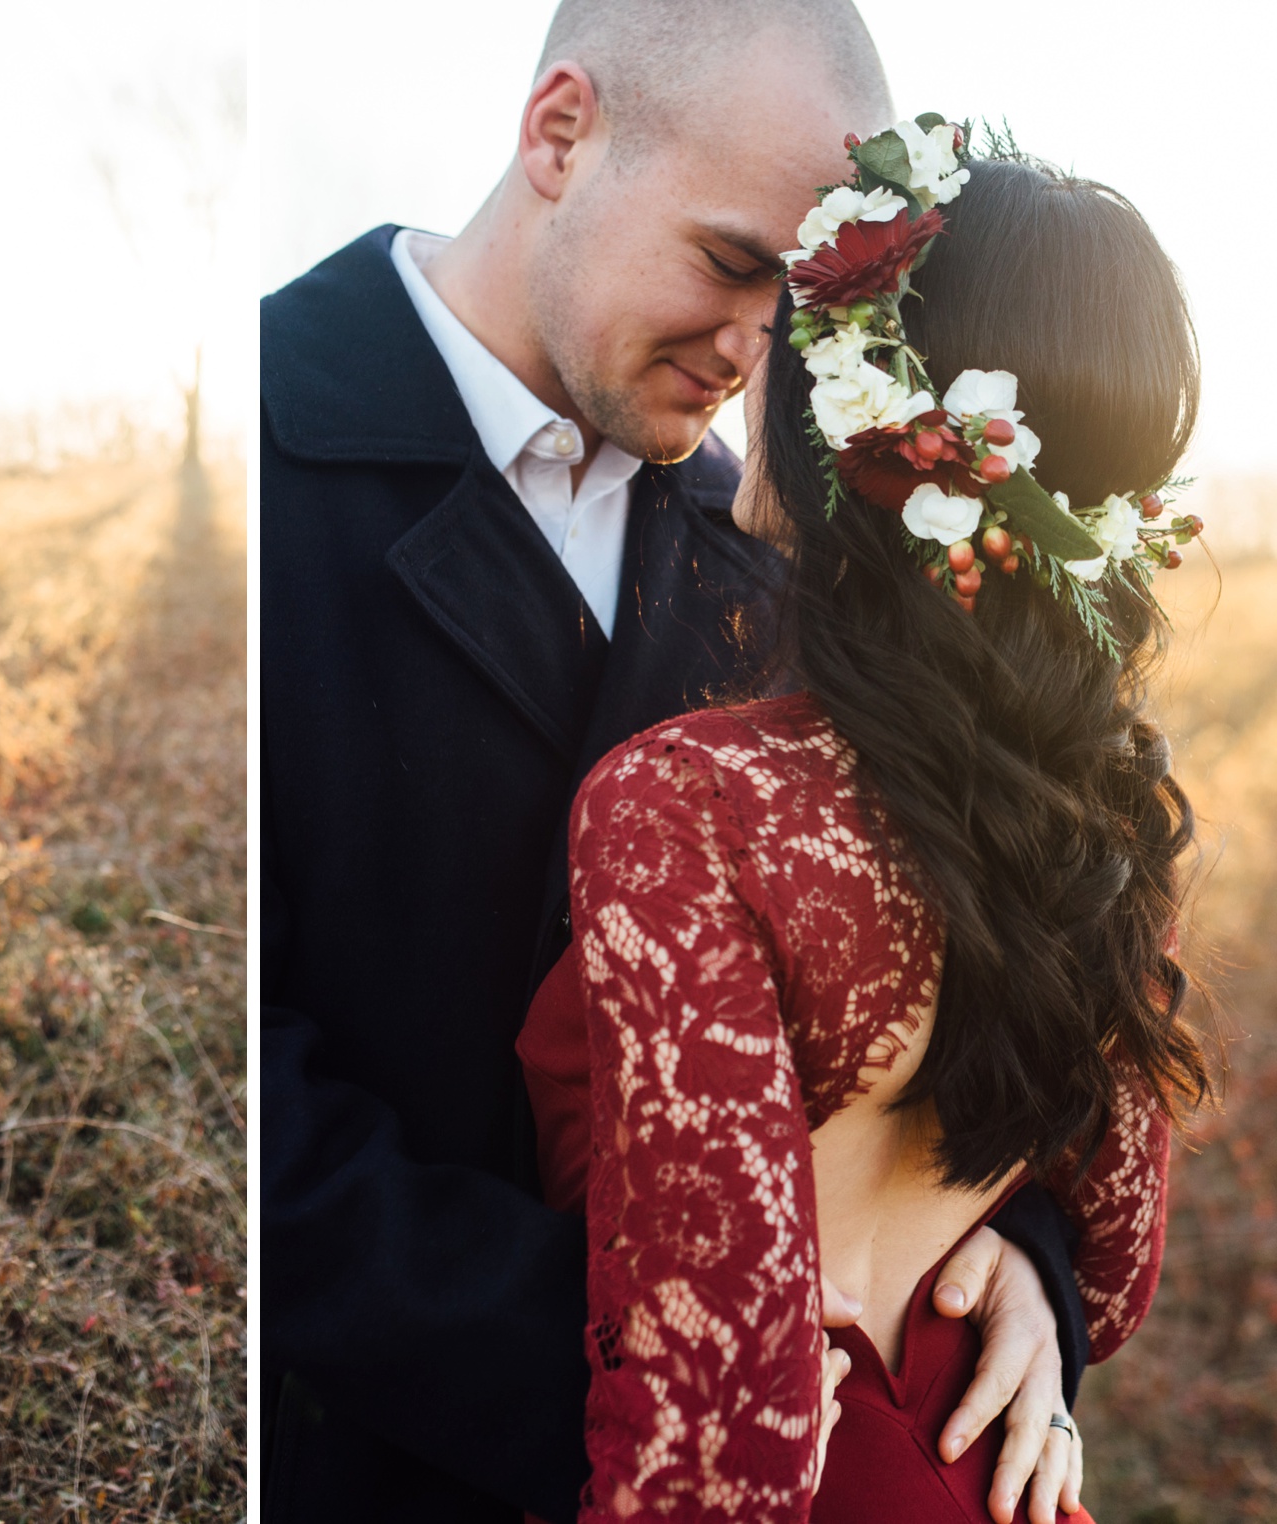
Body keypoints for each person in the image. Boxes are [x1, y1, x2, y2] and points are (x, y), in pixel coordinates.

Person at [262, 4, 1084, 1520]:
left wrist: (1019, 1259)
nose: (759, 350)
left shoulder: (779, 556)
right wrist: (644, 1376)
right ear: (559, 133)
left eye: (811, 305)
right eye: (734, 262)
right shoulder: (270, 452)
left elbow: (943, 945)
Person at [517, 135, 1206, 1521]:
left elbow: (716, 1424)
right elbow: (1117, 1265)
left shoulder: (691, 804)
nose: (746, 367)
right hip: (985, 1465)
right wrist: (1010, 1267)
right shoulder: (1105, 807)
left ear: (861, 415)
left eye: (790, 331)